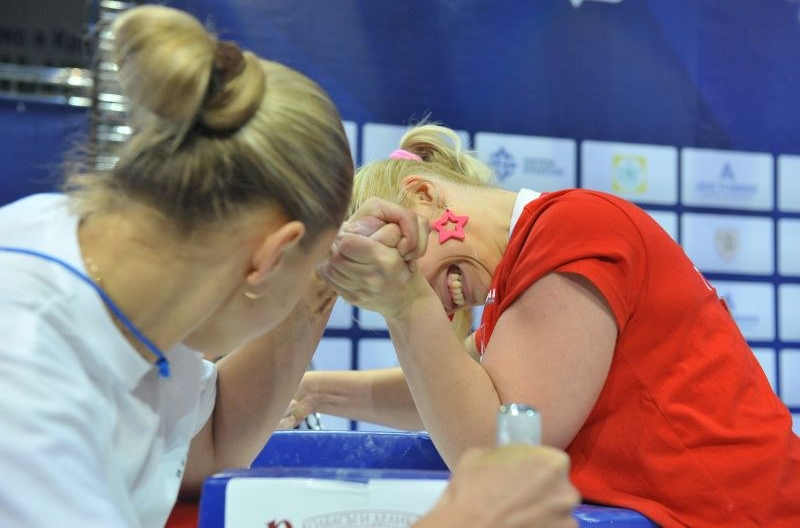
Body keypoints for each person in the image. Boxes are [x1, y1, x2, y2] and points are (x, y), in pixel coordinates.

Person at [0, 5, 579, 528]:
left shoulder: (126, 282)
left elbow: (209, 444)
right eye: (306, 271)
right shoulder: (24, 368)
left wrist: (319, 280)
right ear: (272, 256)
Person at [283, 123, 800, 526]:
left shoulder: (573, 230)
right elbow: (437, 390)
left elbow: (496, 452)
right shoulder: (521, 276)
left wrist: (404, 303)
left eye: (407, 264)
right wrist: (314, 391)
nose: (438, 303)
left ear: (424, 197)